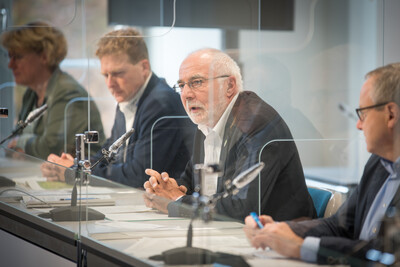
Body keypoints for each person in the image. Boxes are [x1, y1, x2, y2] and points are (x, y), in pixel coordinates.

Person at [244, 63, 400, 265]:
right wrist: (281, 230)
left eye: (364, 113)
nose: (358, 125)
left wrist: (301, 247)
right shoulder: (378, 163)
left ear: (391, 115)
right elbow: (341, 225)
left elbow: (385, 254)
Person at [143, 48, 316, 221]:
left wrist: (177, 201)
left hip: (277, 238)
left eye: (196, 82)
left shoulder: (256, 124)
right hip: (228, 234)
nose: (186, 94)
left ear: (229, 86)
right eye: (181, 85)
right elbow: (191, 184)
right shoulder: (207, 122)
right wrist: (166, 189)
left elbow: (241, 207)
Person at [43, 28, 194, 188]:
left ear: (144, 67)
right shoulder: (129, 96)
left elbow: (138, 176)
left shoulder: (160, 103)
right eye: (105, 75)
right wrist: (76, 165)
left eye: (118, 73)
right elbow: (107, 155)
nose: (110, 83)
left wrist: (77, 172)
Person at [1, 21, 105, 159]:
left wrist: (22, 143)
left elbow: (51, 149)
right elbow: (14, 139)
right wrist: (22, 145)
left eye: (18, 57)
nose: (10, 64)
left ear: (44, 56)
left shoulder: (68, 93)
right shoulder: (31, 93)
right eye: (10, 57)